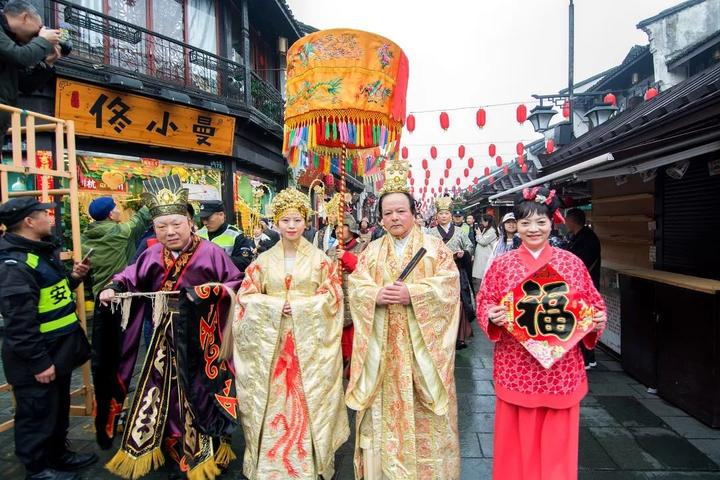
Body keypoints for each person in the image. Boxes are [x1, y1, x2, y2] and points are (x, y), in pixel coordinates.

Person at [96, 176, 243, 480]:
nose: (170, 232)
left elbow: (236, 283)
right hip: (164, 334)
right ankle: (173, 443)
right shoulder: (151, 253)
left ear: (190, 222)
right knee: (165, 389)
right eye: (162, 226)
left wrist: (207, 293)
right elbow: (129, 276)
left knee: (200, 390)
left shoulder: (211, 252)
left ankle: (209, 447)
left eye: (176, 224)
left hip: (203, 334)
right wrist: (114, 287)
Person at [476, 187, 607, 480]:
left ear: (552, 223)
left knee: (557, 445)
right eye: (525, 223)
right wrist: (492, 316)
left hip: (561, 368)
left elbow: (593, 302)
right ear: (515, 226)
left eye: (540, 222)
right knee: (514, 444)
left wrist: (596, 319)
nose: (533, 229)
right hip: (516, 363)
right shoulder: (501, 264)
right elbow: (485, 301)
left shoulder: (571, 263)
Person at [346, 159, 461, 479]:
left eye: (401, 211)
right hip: (381, 356)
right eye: (388, 213)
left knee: (425, 419)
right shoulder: (371, 252)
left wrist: (415, 295)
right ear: (380, 218)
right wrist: (373, 296)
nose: (395, 217)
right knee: (382, 419)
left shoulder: (435, 249)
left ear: (414, 212)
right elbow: (357, 285)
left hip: (421, 355)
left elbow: (450, 287)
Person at [224, 187, 349, 480]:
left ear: (306, 222)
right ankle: (271, 464)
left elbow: (333, 298)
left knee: (309, 402)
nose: (291, 226)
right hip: (273, 347)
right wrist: (276, 305)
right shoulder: (261, 262)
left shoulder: (322, 260)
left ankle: (311, 463)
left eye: (296, 220)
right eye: (285, 220)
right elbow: (246, 298)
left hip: (310, 346)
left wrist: (302, 308)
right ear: (276, 222)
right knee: (273, 403)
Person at [0, 197, 97, 480]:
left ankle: (58, 455)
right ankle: (38, 469)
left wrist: (74, 278)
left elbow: (51, 291)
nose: (50, 218)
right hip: (37, 357)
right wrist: (39, 362)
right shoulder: (12, 264)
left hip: (59, 350)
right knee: (36, 414)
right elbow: (20, 322)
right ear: (29, 221)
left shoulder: (40, 252)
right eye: (44, 213)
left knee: (56, 409)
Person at [0, 1, 63, 143]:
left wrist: (48, 63)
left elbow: (25, 85)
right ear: (25, 17)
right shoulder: (10, 44)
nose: (38, 33)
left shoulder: (12, 42)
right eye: (39, 28)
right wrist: (43, 41)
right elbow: (21, 57)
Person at [81, 196, 152, 299]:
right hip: (120, 292)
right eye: (116, 208)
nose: (119, 211)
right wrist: (152, 201)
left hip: (99, 294)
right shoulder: (119, 232)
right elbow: (139, 220)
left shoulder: (85, 236)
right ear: (111, 215)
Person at [429, 196, 475, 349]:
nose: (443, 216)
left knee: (459, 302)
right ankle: (438, 334)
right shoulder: (430, 232)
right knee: (438, 301)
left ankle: (459, 336)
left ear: (450, 215)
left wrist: (464, 252)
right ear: (437, 216)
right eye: (441, 214)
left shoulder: (461, 231)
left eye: (446, 214)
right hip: (438, 272)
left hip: (457, 270)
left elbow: (469, 246)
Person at [328, 214, 366, 376]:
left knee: (355, 348)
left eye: (342, 226)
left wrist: (347, 258)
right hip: (335, 303)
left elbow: (365, 272)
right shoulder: (330, 251)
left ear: (351, 228)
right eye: (336, 227)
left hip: (356, 304)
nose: (338, 230)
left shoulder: (364, 248)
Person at [565, 207, 602, 369]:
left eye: (567, 219)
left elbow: (580, 265)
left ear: (573, 221)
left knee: (583, 322)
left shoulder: (586, 239)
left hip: (585, 287)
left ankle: (586, 358)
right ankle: (588, 357)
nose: (565, 223)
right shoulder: (580, 236)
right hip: (582, 286)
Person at [197, 200, 254, 273]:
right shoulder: (198, 234)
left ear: (221, 215)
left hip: (225, 282)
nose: (205, 222)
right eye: (203, 219)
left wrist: (218, 259)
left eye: (208, 218)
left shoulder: (236, 235)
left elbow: (245, 262)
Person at [472, 214, 499, 292]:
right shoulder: (486, 229)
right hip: (482, 256)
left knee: (483, 276)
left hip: (486, 257)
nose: (481, 222)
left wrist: (478, 234)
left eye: (483, 221)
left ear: (487, 221)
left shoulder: (492, 230)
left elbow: (483, 241)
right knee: (480, 277)